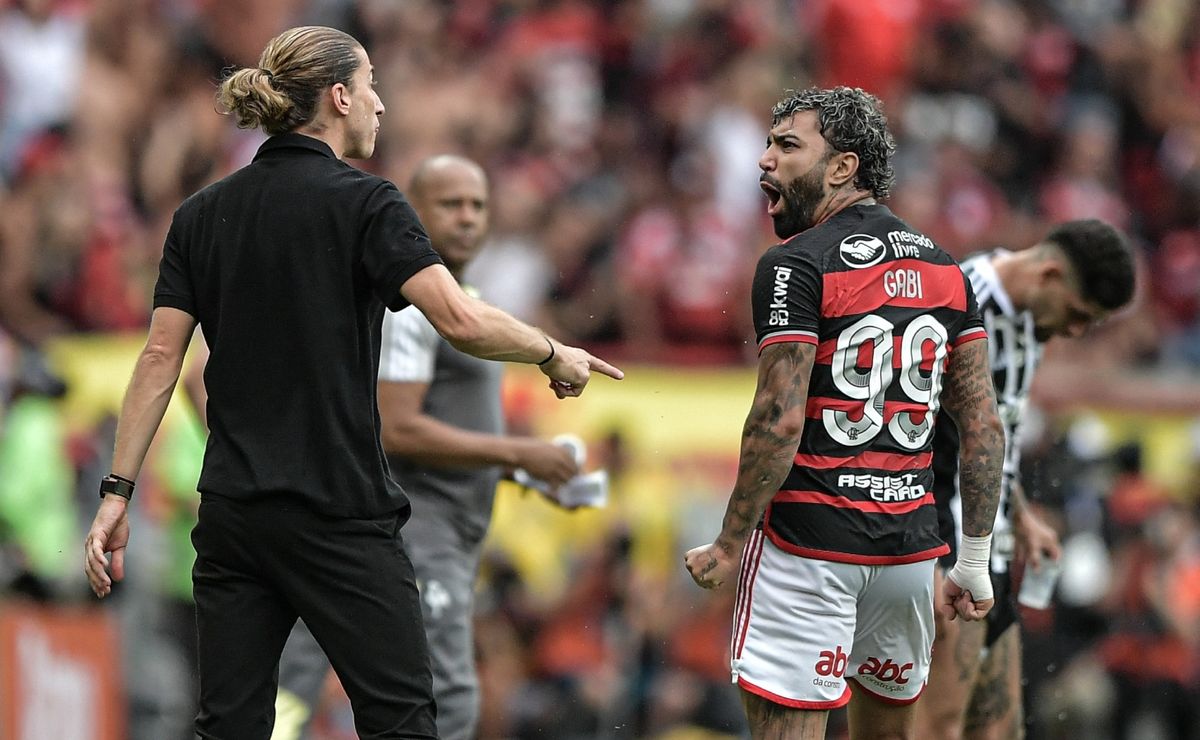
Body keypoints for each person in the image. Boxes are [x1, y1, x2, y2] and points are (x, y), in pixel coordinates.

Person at [81, 26, 622, 740]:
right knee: (401, 722)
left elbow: (161, 363)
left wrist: (115, 494)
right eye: (370, 86)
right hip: (340, 514)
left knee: (229, 726)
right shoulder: (369, 205)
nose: (381, 105)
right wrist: (552, 350)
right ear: (338, 97)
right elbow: (459, 318)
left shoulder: (199, 216)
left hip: (235, 518)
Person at [683, 85, 1006, 740]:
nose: (764, 160)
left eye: (786, 145)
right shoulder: (947, 270)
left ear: (842, 166)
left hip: (809, 546)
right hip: (910, 557)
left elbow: (777, 420)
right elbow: (982, 428)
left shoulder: (795, 265)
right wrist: (973, 559)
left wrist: (728, 540)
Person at [267, 154, 582, 740]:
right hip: (418, 528)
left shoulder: (465, 299)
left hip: (435, 527)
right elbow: (398, 428)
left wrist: (521, 473)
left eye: (478, 205)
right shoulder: (416, 307)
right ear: (413, 214)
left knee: (310, 667)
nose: (467, 218)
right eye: (450, 204)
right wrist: (518, 454)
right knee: (444, 690)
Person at [915, 219, 1136, 740]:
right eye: (1079, 315)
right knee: (939, 726)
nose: (1076, 331)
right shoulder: (955, 300)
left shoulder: (1031, 323)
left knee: (1000, 729)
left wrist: (1021, 513)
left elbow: (993, 438)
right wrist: (922, 553)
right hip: (942, 546)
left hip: (987, 549)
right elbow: (910, 433)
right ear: (1051, 275)